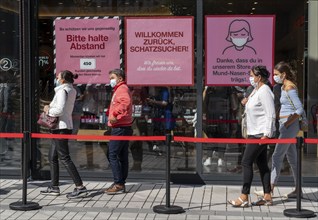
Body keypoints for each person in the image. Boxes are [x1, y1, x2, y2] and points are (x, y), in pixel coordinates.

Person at [228, 66, 276, 207]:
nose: (250, 78)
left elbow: (270, 114)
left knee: (246, 162)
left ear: (259, 77)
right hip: (254, 132)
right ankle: (267, 196)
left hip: (260, 134)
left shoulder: (265, 91)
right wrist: (246, 102)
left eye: (251, 75)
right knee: (261, 164)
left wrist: (267, 134)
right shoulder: (256, 90)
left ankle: (244, 196)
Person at [40, 70, 88, 199]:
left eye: (58, 76)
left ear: (62, 79)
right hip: (62, 126)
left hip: (60, 127)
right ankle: (54, 186)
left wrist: (48, 109)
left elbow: (59, 110)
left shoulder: (62, 91)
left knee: (64, 157)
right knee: (52, 156)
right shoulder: (71, 90)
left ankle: (80, 187)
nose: (56, 77)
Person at [270, 61, 304, 198]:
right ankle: (298, 190)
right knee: (292, 159)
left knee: (276, 156)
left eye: (276, 74)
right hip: (286, 124)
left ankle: (269, 190)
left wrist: (288, 123)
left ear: (283, 74)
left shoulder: (289, 87)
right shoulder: (284, 86)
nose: (274, 77)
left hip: (288, 126)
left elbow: (299, 109)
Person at [104, 69, 133, 195]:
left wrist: (115, 113)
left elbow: (125, 102)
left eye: (112, 77)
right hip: (123, 126)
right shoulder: (121, 89)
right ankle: (121, 181)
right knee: (122, 156)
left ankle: (119, 183)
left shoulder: (121, 89)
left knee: (112, 154)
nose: (111, 80)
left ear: (120, 78)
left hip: (120, 127)